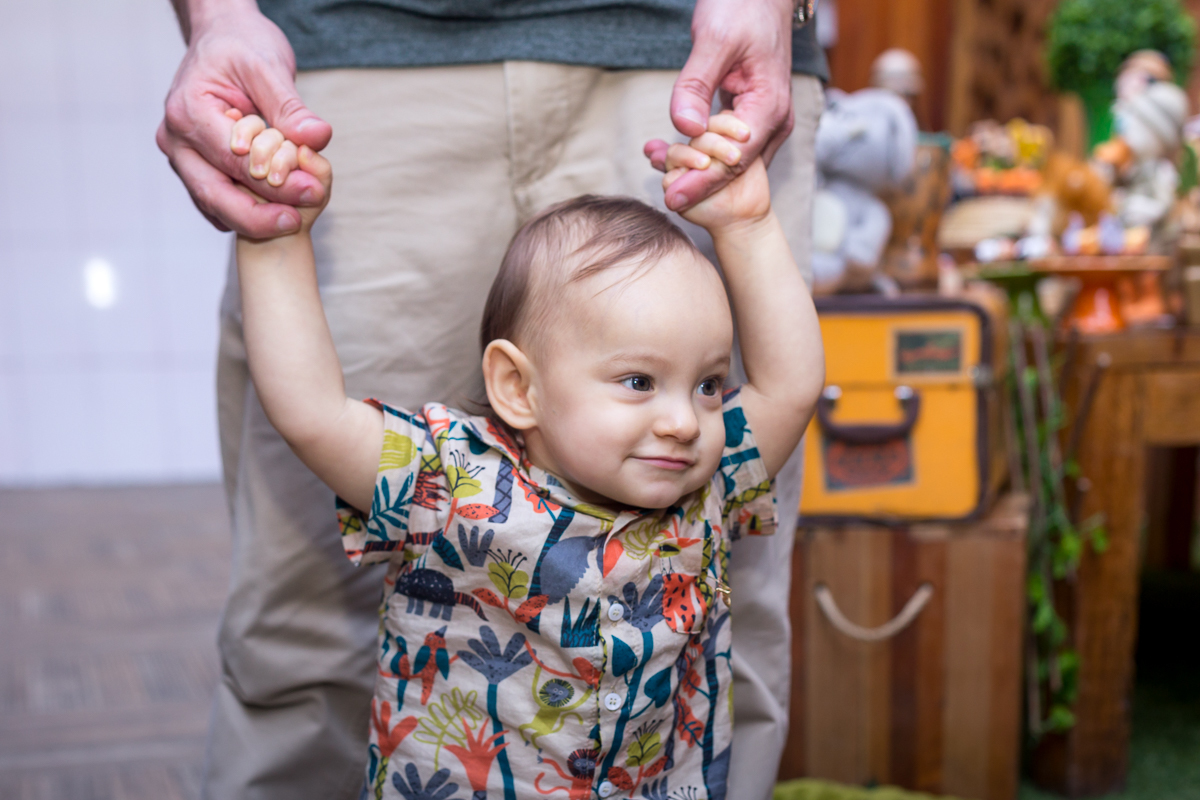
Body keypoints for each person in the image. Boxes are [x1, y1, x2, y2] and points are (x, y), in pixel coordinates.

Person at [157, 2, 827, 798]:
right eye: (639, 382)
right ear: (517, 387)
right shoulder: (452, 484)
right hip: (363, 44)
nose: (684, 419)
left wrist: (747, 225)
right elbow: (311, 411)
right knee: (299, 635)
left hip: (674, 41)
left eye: (709, 385)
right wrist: (277, 237)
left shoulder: (705, 486)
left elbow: (788, 385)